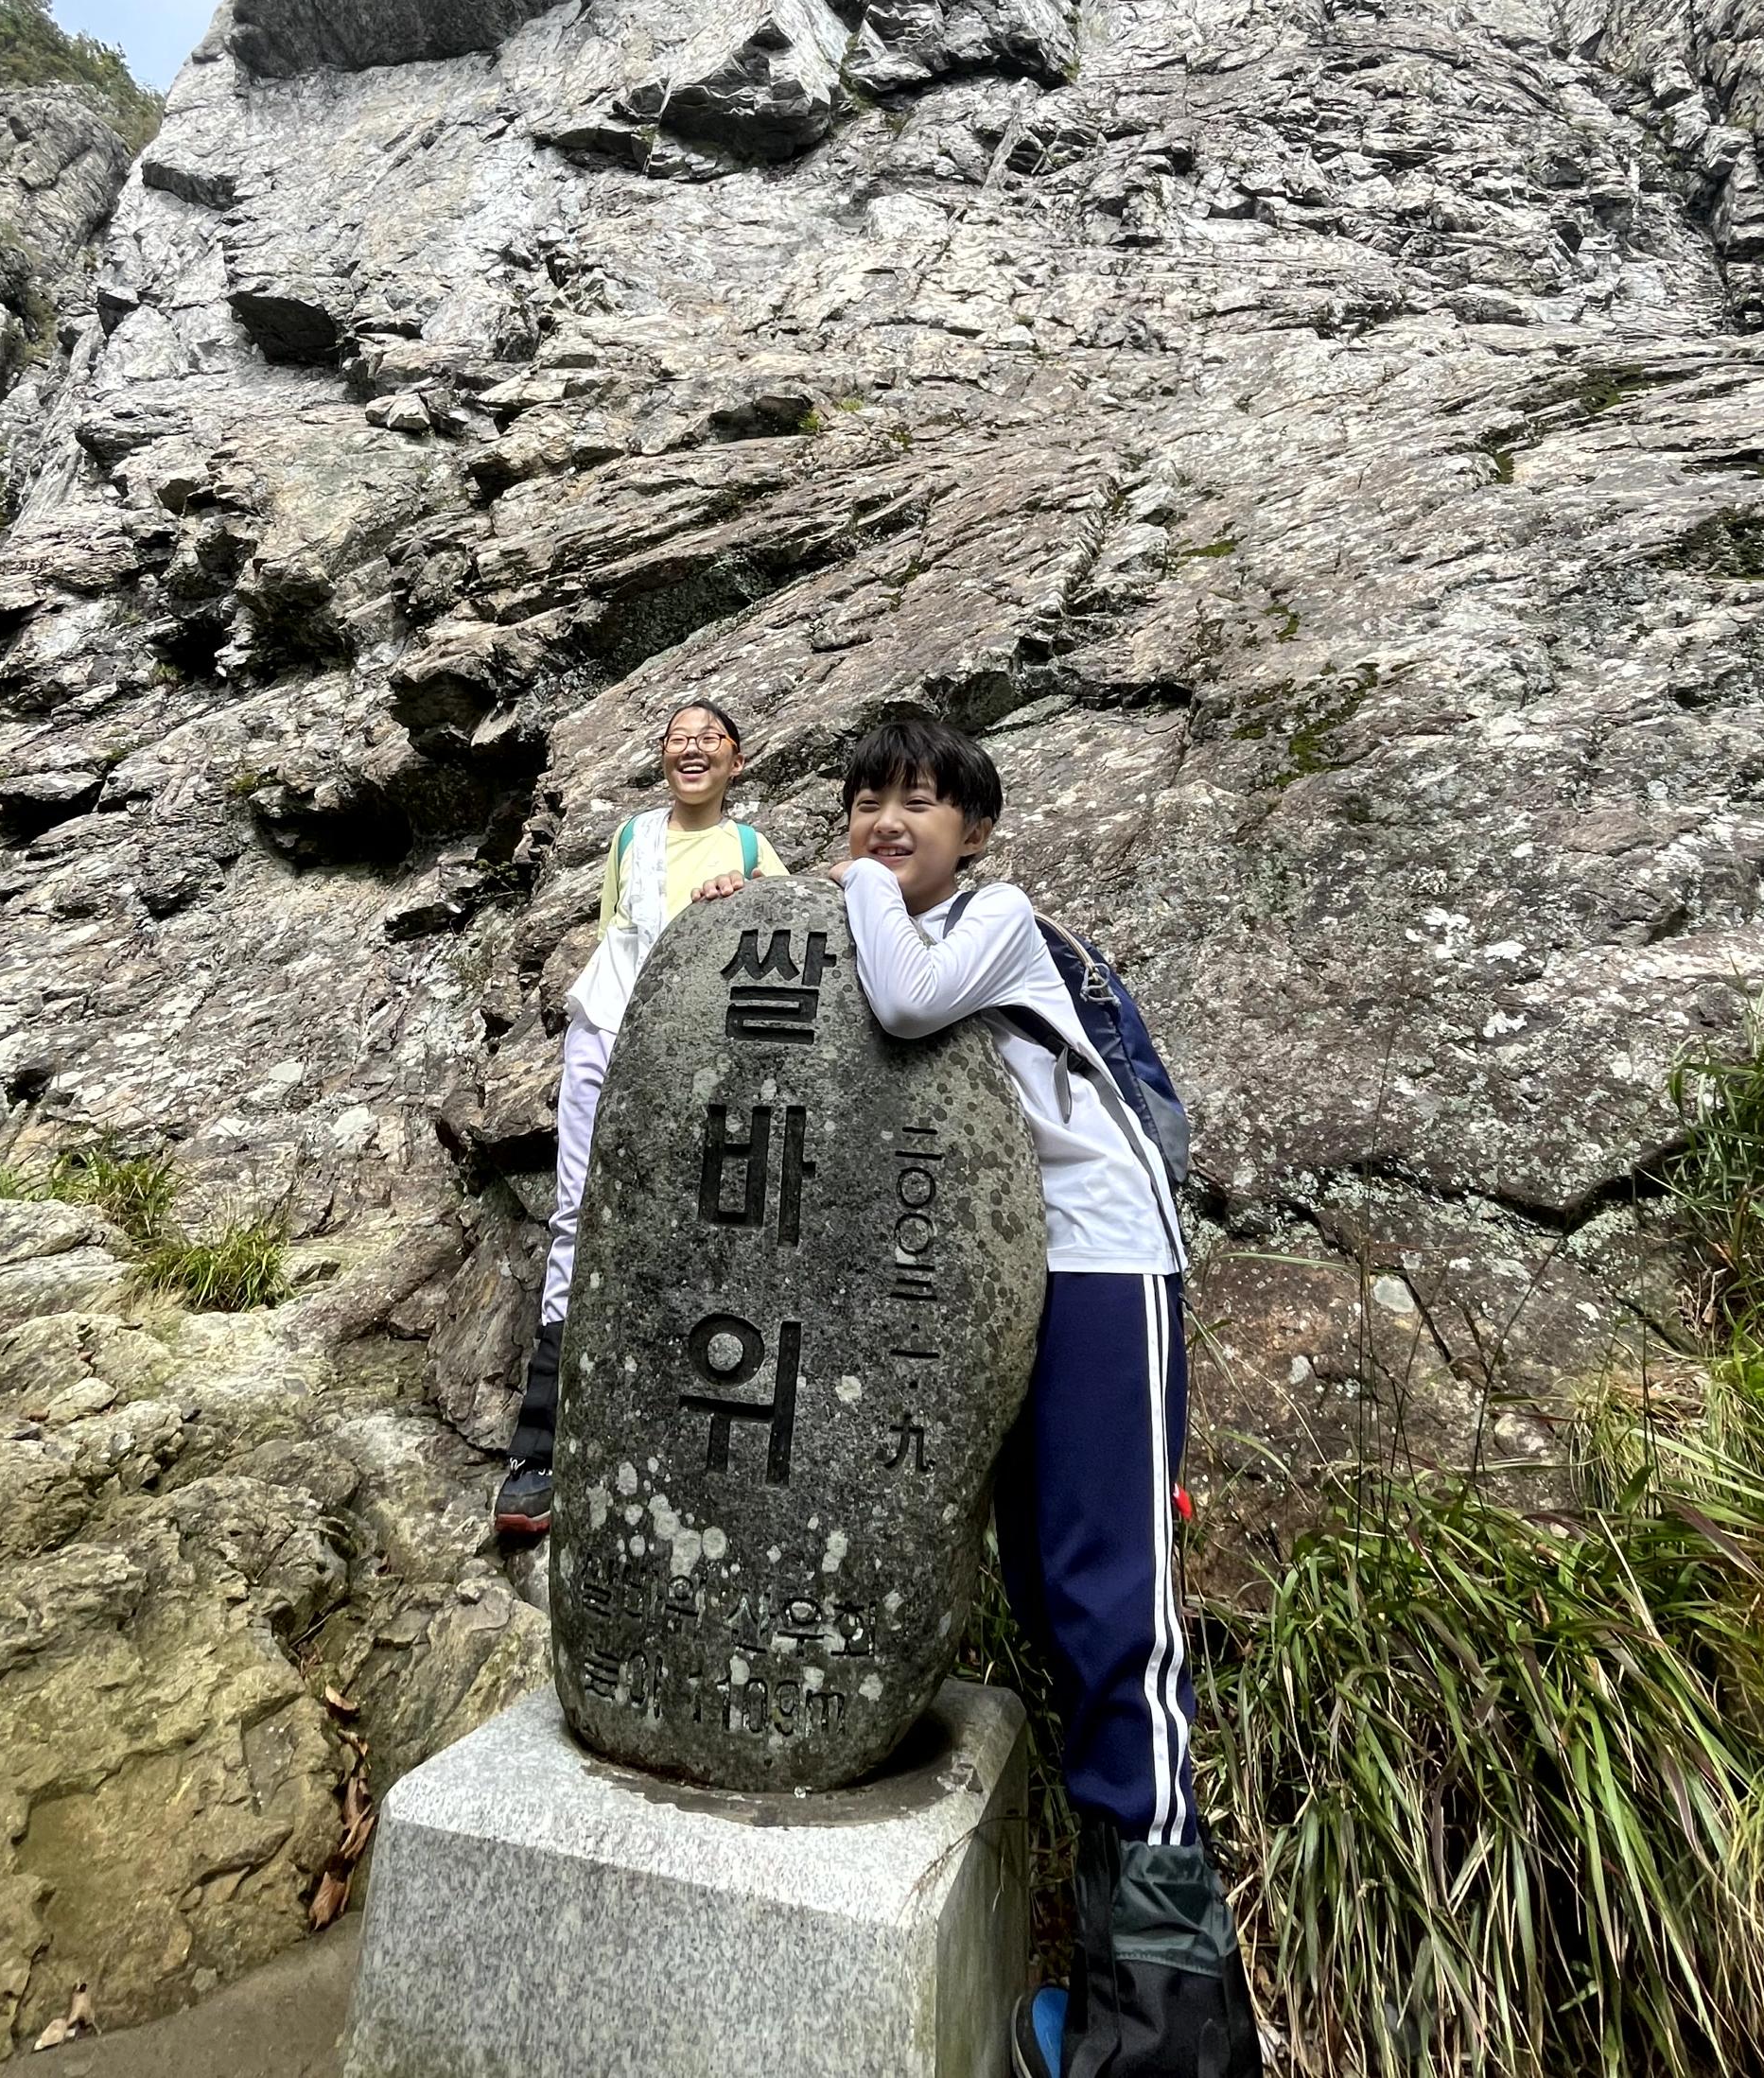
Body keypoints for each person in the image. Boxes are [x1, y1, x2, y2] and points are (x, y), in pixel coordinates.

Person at [829, 707, 1260, 2078]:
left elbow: (904, 1001)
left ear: (975, 829)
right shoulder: (909, 923)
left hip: (1105, 1267)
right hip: (1024, 1281)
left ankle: (1174, 2036)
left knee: (1115, 1608)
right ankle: (1130, 2000)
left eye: (917, 800)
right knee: (1054, 1595)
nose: (886, 822)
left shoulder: (997, 917)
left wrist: (843, 879)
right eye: (865, 801)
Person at [491, 699, 787, 1539]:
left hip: (697, 1049)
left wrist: (745, 896)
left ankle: (661, 1430)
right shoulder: (630, 838)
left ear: (735, 759)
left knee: (680, 1225)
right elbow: (613, 933)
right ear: (662, 756)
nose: (692, 749)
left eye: (709, 739)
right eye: (678, 739)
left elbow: (786, 934)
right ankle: (540, 1447)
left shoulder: (753, 849)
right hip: (606, 1028)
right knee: (578, 1214)